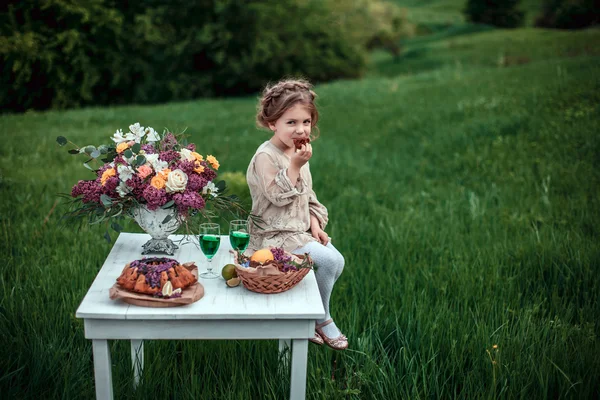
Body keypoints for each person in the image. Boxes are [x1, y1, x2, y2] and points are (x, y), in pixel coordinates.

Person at [246, 78, 347, 350]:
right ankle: (320, 318)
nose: (300, 129)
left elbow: (307, 194)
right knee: (328, 261)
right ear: (272, 123)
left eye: (305, 121)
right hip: (273, 233)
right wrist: (294, 165)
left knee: (337, 261)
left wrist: (315, 224)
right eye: (290, 122)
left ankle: (313, 316)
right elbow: (277, 197)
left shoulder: (298, 152)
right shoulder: (266, 156)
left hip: (298, 231)